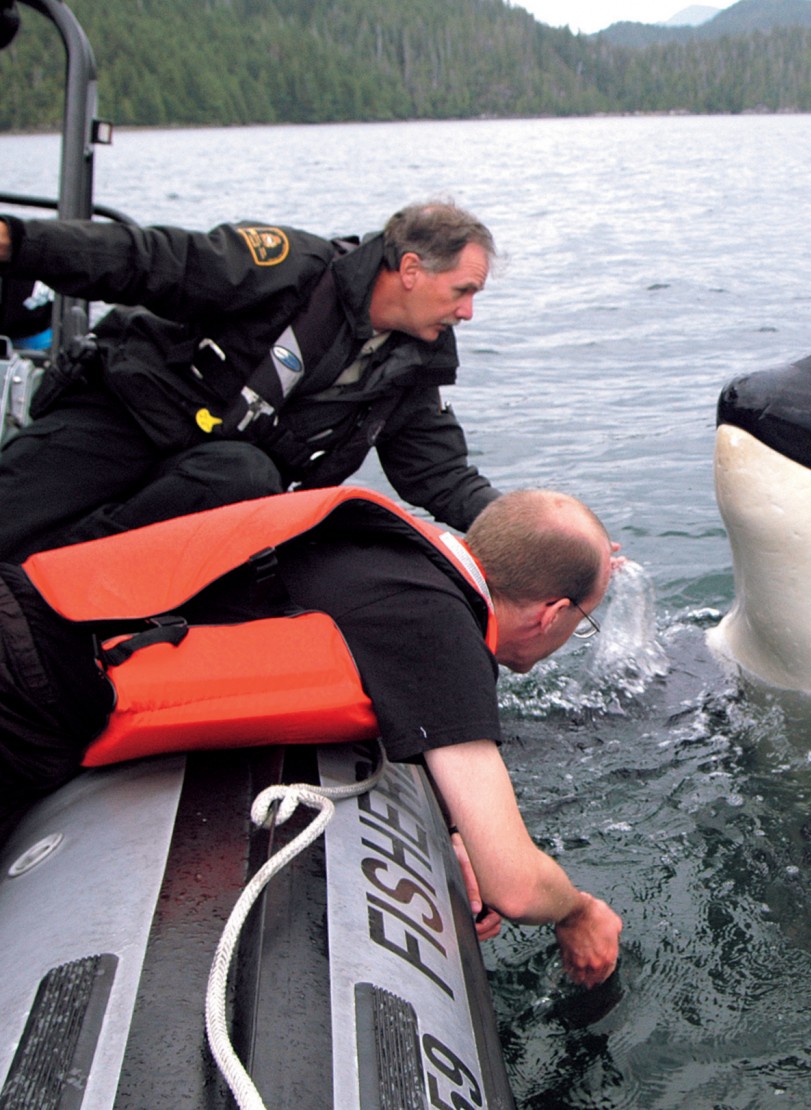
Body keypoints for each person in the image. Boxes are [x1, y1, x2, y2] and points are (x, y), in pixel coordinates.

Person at [0, 485, 621, 987]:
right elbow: (513, 882)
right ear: (553, 613)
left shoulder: (396, 546)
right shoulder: (441, 633)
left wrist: (456, 828)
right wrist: (577, 912)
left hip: (24, 606)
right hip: (26, 703)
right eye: (583, 621)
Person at [0, 200, 500, 561]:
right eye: (463, 290)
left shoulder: (410, 369)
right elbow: (152, 259)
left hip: (209, 476)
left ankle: (58, 575)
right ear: (411, 269)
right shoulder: (287, 267)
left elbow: (442, 477)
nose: (468, 312)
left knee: (245, 476)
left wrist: (525, 529)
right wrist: (19, 242)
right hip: (123, 417)